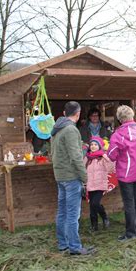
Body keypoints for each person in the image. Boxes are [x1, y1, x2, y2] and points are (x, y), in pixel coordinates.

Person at [51, 101, 94, 255]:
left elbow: (58, 152)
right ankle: (75, 247)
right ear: (78, 113)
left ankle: (63, 244)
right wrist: (85, 177)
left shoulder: (57, 129)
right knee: (72, 214)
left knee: (62, 212)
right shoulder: (70, 130)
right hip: (71, 177)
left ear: (64, 113)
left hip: (60, 176)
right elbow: (76, 158)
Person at [107, 105, 136, 241]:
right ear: (132, 116)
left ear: (119, 119)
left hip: (126, 173)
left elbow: (112, 155)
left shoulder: (118, 134)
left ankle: (130, 233)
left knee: (129, 203)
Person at [84, 136, 115, 232]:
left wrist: (107, 158)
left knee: (95, 203)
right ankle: (94, 226)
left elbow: (111, 169)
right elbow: (83, 170)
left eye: (95, 144)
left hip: (100, 184)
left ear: (99, 146)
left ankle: (104, 216)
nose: (93, 146)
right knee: (92, 206)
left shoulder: (102, 158)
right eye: (91, 144)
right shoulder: (87, 158)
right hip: (90, 185)